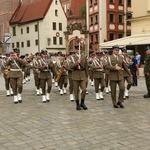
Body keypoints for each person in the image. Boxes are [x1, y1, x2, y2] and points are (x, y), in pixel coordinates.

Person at [69, 44, 88, 110]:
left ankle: (82, 102)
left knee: (84, 89)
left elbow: (86, 67)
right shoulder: (72, 57)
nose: (79, 51)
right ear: (75, 50)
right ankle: (77, 103)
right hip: (75, 74)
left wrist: (87, 76)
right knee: (76, 91)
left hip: (82, 74)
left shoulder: (84, 57)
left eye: (80, 49)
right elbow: (71, 66)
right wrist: (77, 62)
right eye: (78, 49)